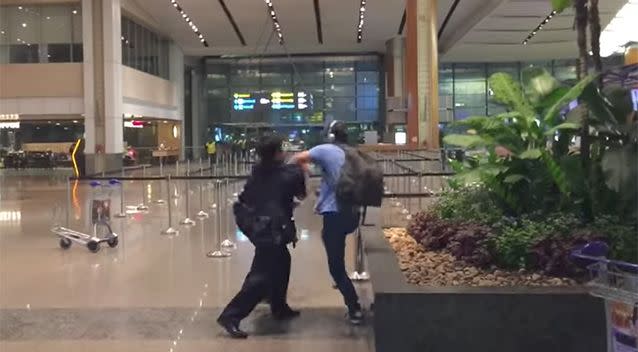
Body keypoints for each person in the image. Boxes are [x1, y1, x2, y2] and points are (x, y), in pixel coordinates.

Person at [217, 135, 307, 339]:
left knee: (283, 262)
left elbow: (259, 196)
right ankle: (231, 316)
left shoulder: (259, 172)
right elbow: (300, 193)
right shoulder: (286, 174)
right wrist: (300, 169)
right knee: (261, 277)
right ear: (277, 154)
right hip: (270, 230)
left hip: (258, 225)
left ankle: (279, 306)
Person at [290, 121, 364, 325]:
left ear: (330, 136)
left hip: (334, 214)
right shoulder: (354, 152)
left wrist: (308, 173)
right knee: (328, 240)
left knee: (336, 266)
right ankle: (344, 285)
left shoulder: (325, 149)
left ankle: (354, 307)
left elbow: (296, 158)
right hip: (353, 214)